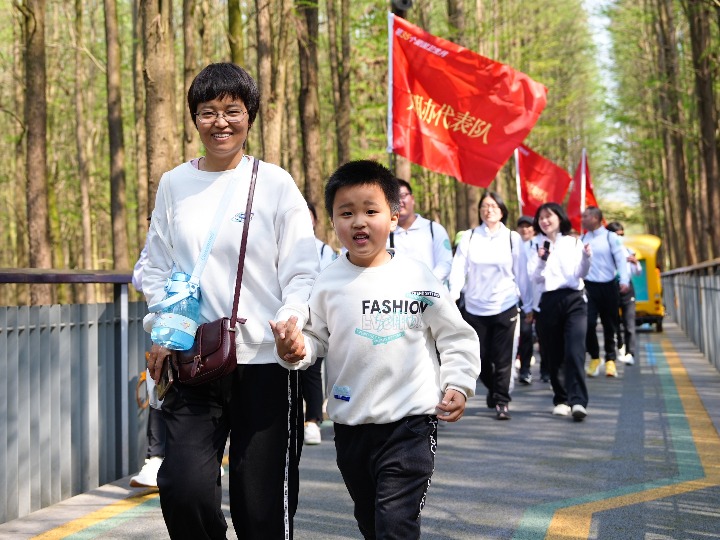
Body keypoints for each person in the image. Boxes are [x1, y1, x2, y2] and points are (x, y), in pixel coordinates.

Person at [143, 62, 319, 539]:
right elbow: (155, 265)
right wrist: (163, 327)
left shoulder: (276, 184)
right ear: (194, 119)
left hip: (264, 361)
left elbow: (304, 267)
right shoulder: (174, 184)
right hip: (195, 356)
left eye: (232, 110)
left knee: (259, 506)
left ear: (250, 116)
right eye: (207, 111)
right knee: (183, 486)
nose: (220, 122)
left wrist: (291, 320)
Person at [271, 160, 480, 539]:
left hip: (411, 424)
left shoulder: (418, 276)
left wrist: (458, 383)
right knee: (370, 521)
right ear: (333, 221)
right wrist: (296, 349)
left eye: (371, 211)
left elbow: (455, 336)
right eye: (346, 213)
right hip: (351, 426)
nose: (359, 222)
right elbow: (317, 339)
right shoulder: (327, 281)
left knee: (394, 525)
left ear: (394, 216)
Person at [449, 192, 530, 420]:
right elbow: (458, 268)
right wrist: (453, 294)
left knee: (503, 358)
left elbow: (521, 273)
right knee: (480, 359)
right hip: (475, 307)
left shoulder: (512, 238)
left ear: (502, 210)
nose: (489, 210)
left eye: (493, 206)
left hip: (506, 305)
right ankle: (495, 390)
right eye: (485, 206)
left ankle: (502, 401)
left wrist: (530, 303)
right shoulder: (470, 236)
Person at [527, 203, 592, 420]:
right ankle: (561, 398)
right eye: (541, 218)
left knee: (575, 351)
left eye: (549, 216)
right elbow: (534, 278)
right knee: (553, 354)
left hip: (574, 299)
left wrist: (586, 257)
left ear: (559, 218)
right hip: (548, 301)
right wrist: (542, 260)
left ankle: (578, 401)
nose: (545, 221)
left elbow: (580, 272)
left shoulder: (573, 242)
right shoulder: (534, 244)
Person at [129, 225, 166, 488]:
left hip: (205, 325)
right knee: (159, 386)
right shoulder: (155, 242)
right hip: (163, 326)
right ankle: (155, 458)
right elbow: (138, 279)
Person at [301, 202, 337, 445]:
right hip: (283, 319)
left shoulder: (326, 252)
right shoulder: (274, 248)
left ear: (315, 220)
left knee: (312, 372)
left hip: (315, 319)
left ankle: (312, 420)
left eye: (308, 215)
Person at [580, 206, 629, 378]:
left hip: (609, 286)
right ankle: (594, 358)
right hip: (589, 287)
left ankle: (610, 359)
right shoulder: (582, 238)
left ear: (595, 218)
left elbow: (621, 260)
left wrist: (624, 280)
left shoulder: (611, 237)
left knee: (610, 324)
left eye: (585, 216)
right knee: (588, 324)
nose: (582, 219)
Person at [388, 178, 453, 284]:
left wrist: (425, 285)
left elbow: (445, 263)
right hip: (398, 295)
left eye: (403, 195)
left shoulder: (434, 229)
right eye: (394, 198)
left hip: (431, 294)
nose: (399, 201)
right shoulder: (385, 234)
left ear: (412, 199)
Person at [515, 215, 545, 384]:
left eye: (528, 226)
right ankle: (525, 370)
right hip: (520, 296)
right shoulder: (513, 245)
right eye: (521, 227)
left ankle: (546, 369)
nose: (525, 229)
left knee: (543, 334)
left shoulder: (540, 244)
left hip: (539, 296)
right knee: (525, 334)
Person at [607, 221, 641, 365]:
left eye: (622, 235)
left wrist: (635, 263)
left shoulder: (628, 250)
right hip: (611, 288)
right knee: (613, 322)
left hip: (627, 289)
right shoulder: (606, 252)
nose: (619, 237)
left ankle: (630, 352)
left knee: (629, 321)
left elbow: (638, 272)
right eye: (616, 234)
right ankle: (619, 344)